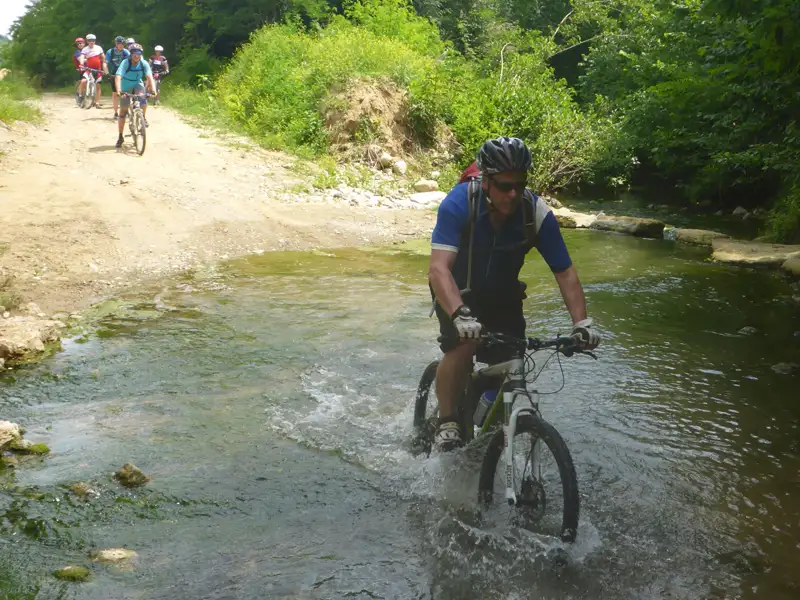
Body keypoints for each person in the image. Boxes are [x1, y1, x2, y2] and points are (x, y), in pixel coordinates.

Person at [428, 137, 601, 451]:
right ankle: (447, 420)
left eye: (520, 185)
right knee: (464, 346)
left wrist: (581, 323)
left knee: (511, 362)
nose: (513, 194)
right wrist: (459, 315)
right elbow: (439, 269)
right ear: (486, 182)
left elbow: (564, 272)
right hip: (455, 291)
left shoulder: (535, 213)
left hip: (503, 294)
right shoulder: (459, 203)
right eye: (505, 186)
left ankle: (489, 436)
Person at [115, 43, 155, 148]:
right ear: (131, 54)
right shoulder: (125, 62)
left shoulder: (143, 63)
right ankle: (120, 136)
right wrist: (119, 91)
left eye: (139, 53)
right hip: (125, 85)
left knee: (143, 99)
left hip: (137, 83)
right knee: (123, 111)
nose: (137, 56)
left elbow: (149, 76)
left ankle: (143, 118)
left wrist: (153, 90)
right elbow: (118, 76)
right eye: (134, 53)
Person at [79, 34, 107, 108]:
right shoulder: (85, 49)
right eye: (90, 40)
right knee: (83, 81)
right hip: (89, 69)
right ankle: (80, 95)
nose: (92, 42)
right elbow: (82, 56)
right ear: (87, 41)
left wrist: (105, 69)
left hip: (98, 70)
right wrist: (81, 64)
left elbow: (103, 58)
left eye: (93, 40)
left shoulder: (99, 48)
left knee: (98, 86)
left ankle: (97, 102)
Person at [106, 36, 130, 119]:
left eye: (122, 43)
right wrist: (107, 72)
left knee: (126, 93)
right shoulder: (110, 52)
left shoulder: (126, 52)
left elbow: (130, 62)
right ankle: (116, 112)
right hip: (114, 74)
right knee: (115, 94)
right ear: (116, 44)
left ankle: (126, 109)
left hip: (124, 74)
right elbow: (105, 63)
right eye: (119, 43)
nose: (121, 45)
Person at [72, 37, 86, 106]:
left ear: (84, 43)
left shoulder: (86, 51)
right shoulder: (77, 52)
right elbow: (80, 60)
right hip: (81, 69)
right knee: (83, 81)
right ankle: (80, 95)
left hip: (88, 68)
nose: (80, 44)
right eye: (78, 43)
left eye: (81, 43)